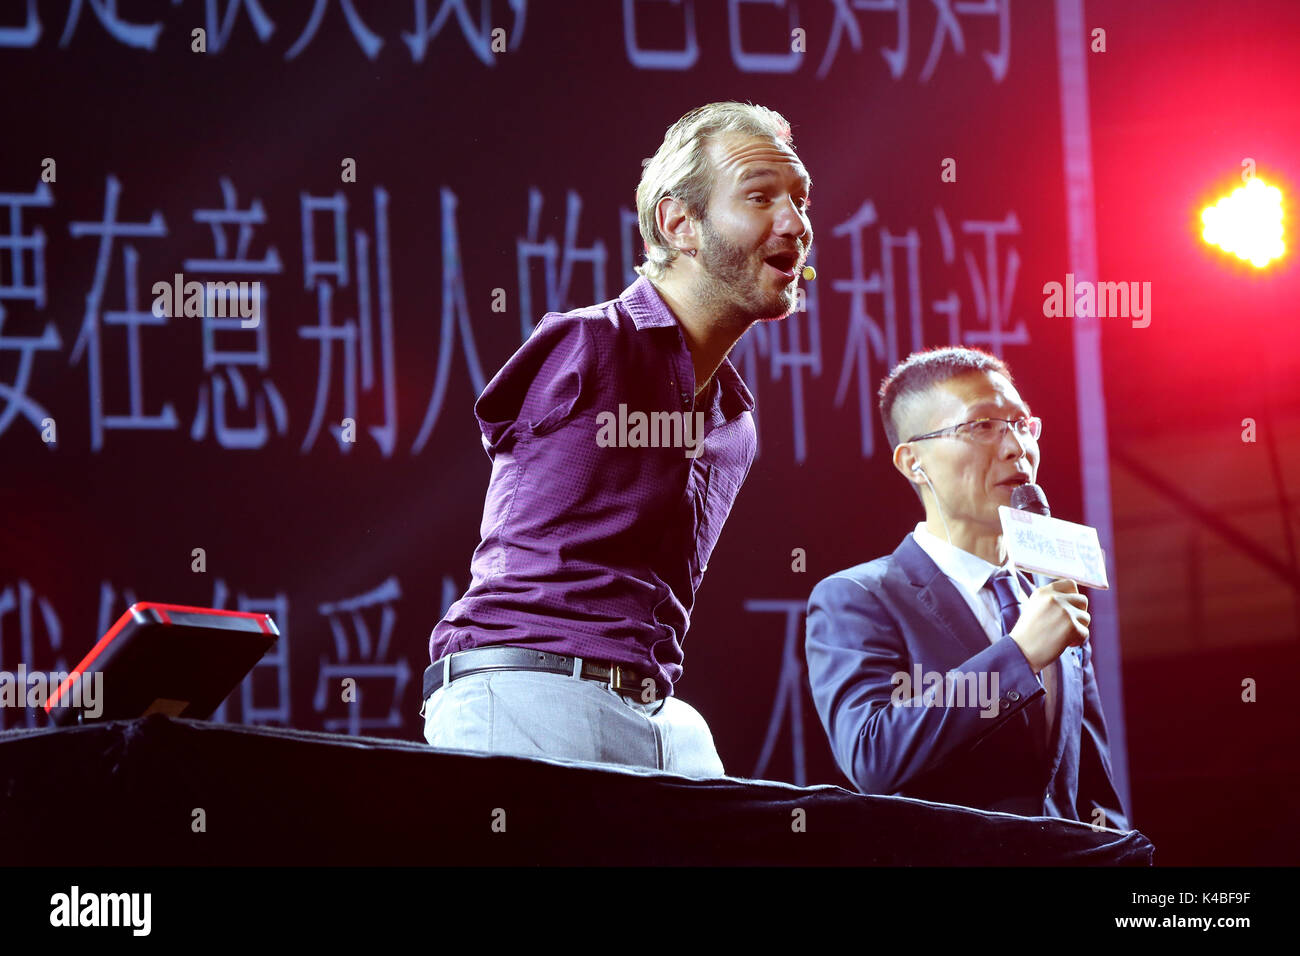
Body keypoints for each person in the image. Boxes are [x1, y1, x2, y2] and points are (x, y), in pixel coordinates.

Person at [421, 101, 814, 776]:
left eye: (801, 199)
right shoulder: (590, 344)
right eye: (759, 198)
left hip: (659, 713)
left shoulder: (734, 424)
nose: (795, 223)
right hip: (528, 689)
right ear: (678, 223)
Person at [804, 347, 1130, 829]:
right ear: (914, 461)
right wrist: (1018, 655)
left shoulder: (1049, 591)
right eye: (982, 426)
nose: (1016, 447)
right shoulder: (859, 597)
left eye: (1022, 424)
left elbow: (1090, 790)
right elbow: (872, 755)